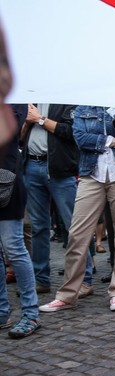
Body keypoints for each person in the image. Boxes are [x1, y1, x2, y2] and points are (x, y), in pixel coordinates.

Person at [39, 107, 115, 313]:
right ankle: (67, 295)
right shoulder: (83, 108)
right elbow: (80, 139)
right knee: (77, 234)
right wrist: (114, 141)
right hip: (90, 174)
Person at [20, 103, 95, 296]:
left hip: (60, 171)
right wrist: (28, 123)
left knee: (74, 227)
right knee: (38, 228)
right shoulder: (32, 101)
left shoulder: (66, 100)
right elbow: (20, 139)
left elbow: (71, 132)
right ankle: (41, 280)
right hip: (32, 166)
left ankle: (84, 280)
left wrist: (39, 119)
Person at [0, 104, 41, 338]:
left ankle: (30, 314)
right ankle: (1, 313)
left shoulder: (15, 98)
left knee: (14, 247)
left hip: (6, 182)